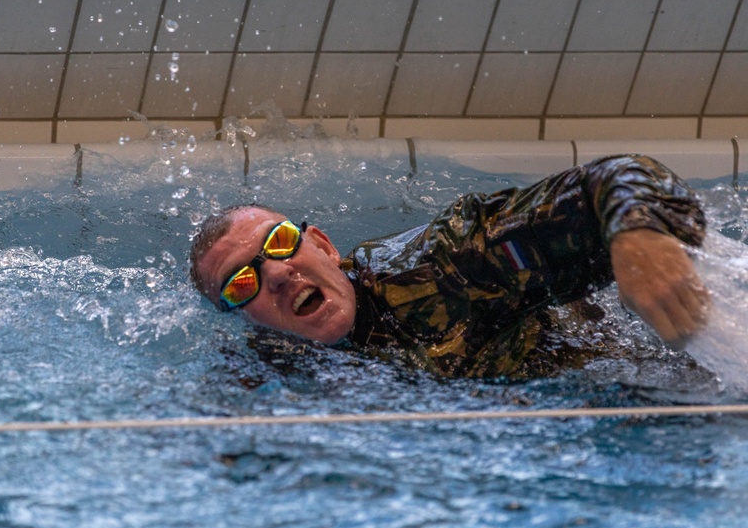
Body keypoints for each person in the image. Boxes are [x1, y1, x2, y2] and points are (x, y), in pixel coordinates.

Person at [189, 154, 709, 377]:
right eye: (241, 283)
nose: (275, 274)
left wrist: (638, 237)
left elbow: (618, 177)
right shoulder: (274, 361)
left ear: (325, 246)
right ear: (240, 315)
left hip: (641, 373)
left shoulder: (449, 264)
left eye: (279, 243)